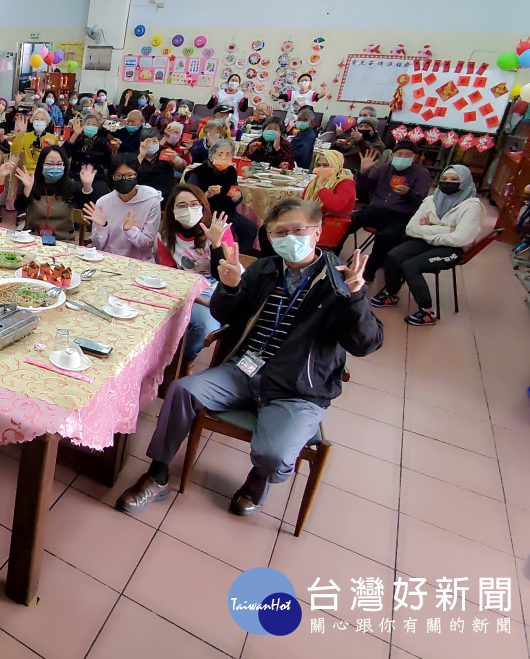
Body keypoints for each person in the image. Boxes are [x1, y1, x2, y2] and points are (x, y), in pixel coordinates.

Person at [115, 198, 382, 517]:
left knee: (273, 455)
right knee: (182, 391)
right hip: (243, 372)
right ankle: (157, 475)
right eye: (279, 232)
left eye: (297, 229)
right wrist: (229, 290)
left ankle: (259, 478)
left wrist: (356, 297)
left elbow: (366, 343)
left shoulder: (340, 280)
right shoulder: (266, 269)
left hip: (297, 389)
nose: (288, 238)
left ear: (317, 232)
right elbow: (226, 314)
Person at [371, 165, 483, 326]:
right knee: (393, 256)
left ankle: (427, 312)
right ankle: (391, 294)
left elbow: (460, 239)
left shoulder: (472, 206)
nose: (447, 182)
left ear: (465, 182)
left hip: (451, 249)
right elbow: (411, 228)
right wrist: (445, 230)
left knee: (411, 266)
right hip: (426, 242)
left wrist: (428, 229)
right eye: (444, 179)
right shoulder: (431, 200)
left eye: (454, 180)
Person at [155, 185, 235, 373]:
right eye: (181, 206)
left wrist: (216, 244)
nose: (188, 210)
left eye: (193, 204)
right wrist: (195, 298)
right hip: (187, 289)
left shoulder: (219, 230)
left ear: (202, 206)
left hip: (219, 290)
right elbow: (171, 274)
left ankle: (185, 359)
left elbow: (222, 274)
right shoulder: (165, 236)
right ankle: (159, 358)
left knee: (203, 326)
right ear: (172, 210)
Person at [343, 140, 431, 282]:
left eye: (407, 155)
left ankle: (367, 273)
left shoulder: (421, 173)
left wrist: (408, 193)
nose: (402, 157)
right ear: (393, 155)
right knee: (348, 221)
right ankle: (331, 255)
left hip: (401, 215)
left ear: (414, 157)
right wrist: (364, 172)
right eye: (399, 154)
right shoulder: (384, 168)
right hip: (377, 210)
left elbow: (420, 201)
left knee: (385, 237)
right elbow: (364, 190)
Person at [83, 154, 161, 261]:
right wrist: (102, 226)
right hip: (108, 260)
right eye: (118, 176)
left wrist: (131, 230)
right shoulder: (103, 202)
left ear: (137, 175)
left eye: (129, 175)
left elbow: (147, 245)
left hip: (139, 263)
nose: (124, 180)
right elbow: (98, 246)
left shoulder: (151, 201)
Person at [14, 144, 101, 239]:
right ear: (41, 165)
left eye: (59, 164)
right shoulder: (31, 183)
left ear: (65, 165)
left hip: (63, 240)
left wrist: (87, 187)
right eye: (50, 164)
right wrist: (27, 190)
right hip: (33, 238)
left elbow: (86, 208)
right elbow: (19, 206)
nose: (55, 167)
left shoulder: (71, 186)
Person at [184, 139, 256, 252]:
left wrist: (238, 196)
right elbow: (189, 198)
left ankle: (241, 257)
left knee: (250, 228)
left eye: (228, 154)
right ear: (212, 156)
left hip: (228, 212)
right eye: (220, 154)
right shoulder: (198, 173)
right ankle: (221, 259)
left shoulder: (231, 171)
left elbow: (234, 192)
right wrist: (206, 194)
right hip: (206, 214)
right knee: (227, 231)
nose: (224, 158)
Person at [303, 150, 356, 220]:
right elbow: (303, 201)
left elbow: (336, 206)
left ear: (335, 165)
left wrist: (321, 187)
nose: (321, 168)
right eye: (318, 165)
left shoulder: (345, 183)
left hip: (334, 223)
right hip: (314, 221)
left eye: (325, 165)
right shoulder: (315, 182)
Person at [64, 112, 114, 185]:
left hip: (96, 178)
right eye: (88, 123)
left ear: (98, 127)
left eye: (94, 124)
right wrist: (75, 134)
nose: (91, 126)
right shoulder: (77, 139)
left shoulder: (103, 142)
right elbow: (65, 154)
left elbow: (108, 162)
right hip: (75, 176)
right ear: (83, 125)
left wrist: (114, 152)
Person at [8, 107, 58, 174]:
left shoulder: (52, 138)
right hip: (28, 172)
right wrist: (21, 133)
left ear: (47, 123)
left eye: (42, 119)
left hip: (45, 173)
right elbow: (14, 150)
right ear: (32, 121)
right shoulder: (26, 136)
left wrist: (53, 147)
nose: (39, 121)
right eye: (37, 119)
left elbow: (57, 159)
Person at [136, 127, 183, 197]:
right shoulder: (136, 156)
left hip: (167, 192)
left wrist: (177, 161)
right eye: (148, 142)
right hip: (145, 194)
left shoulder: (165, 151)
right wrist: (142, 155)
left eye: (154, 141)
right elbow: (130, 172)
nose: (151, 144)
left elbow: (182, 166)